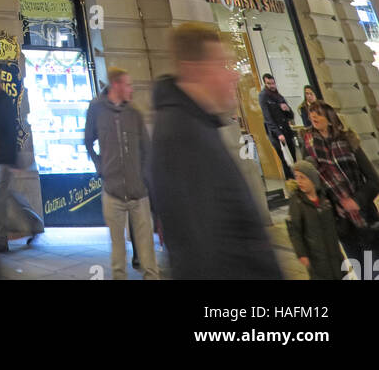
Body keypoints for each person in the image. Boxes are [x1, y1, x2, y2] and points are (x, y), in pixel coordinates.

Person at [149, 23, 281, 281]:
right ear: (194, 69)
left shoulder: (199, 125)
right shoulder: (182, 137)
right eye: (222, 65)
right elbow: (203, 252)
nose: (233, 75)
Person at [84, 68, 158, 280]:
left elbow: (146, 148)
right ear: (116, 85)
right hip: (112, 191)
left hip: (138, 192)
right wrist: (101, 167)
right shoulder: (96, 109)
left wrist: (143, 176)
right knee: (118, 252)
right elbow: (88, 141)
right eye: (127, 84)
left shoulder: (134, 113)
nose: (131, 89)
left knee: (148, 254)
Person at [303, 102, 379, 261]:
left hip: (365, 217)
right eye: (312, 113)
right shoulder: (308, 147)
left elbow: (374, 180)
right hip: (340, 221)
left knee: (374, 267)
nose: (314, 116)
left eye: (319, 113)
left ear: (330, 120)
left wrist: (357, 200)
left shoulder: (348, 141)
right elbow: (311, 187)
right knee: (361, 268)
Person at [0, 62, 44, 253]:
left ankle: (2, 240)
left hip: (2, 159)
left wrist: (11, 160)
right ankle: (32, 224)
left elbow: (11, 130)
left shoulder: (4, 101)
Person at [286, 159, 345, 280]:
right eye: (297, 177)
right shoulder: (297, 202)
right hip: (316, 257)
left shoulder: (325, 197)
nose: (299, 181)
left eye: (303, 177)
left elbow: (336, 220)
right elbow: (294, 230)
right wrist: (301, 253)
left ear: (312, 179)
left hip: (334, 253)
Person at [258, 73, 298, 180]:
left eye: (273, 83)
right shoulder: (263, 96)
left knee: (293, 158)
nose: (272, 86)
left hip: (286, 129)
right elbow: (267, 118)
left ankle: (297, 181)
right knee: (285, 159)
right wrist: (278, 133)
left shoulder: (279, 96)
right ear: (265, 83)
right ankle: (291, 183)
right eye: (269, 83)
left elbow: (291, 115)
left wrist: (287, 109)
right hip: (276, 133)